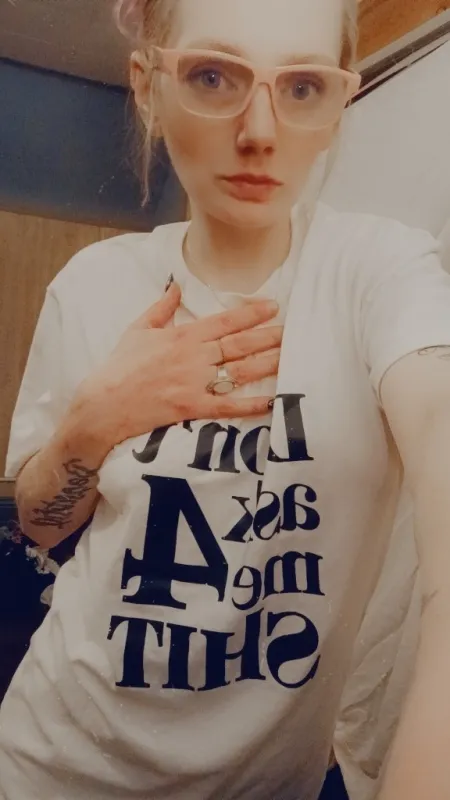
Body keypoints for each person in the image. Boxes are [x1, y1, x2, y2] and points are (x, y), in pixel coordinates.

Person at [2, 0, 450, 798]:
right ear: (149, 87)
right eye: (214, 76)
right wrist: (96, 420)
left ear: (338, 103)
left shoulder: (378, 272)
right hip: (53, 767)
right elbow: (40, 523)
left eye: (303, 87)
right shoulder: (92, 284)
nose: (261, 133)